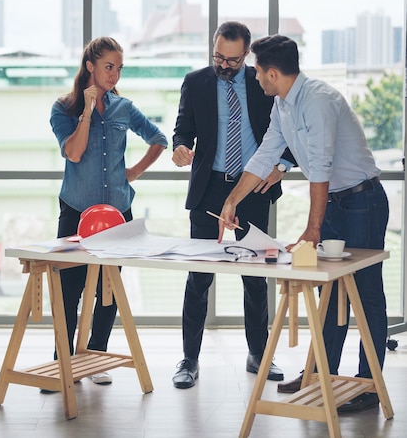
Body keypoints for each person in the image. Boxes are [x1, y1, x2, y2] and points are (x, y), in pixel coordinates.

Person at [219, 34, 389, 414]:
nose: (256, 78)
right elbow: (266, 155)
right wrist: (232, 200)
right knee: (327, 292)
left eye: (258, 71)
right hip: (334, 202)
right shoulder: (283, 105)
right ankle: (319, 374)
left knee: (365, 293)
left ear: (274, 72)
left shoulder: (317, 101)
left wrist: (313, 229)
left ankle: (369, 384)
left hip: (362, 201)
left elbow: (321, 168)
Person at [171, 21, 295, 389]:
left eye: (233, 60)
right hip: (209, 190)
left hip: (253, 190)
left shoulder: (264, 84)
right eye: (218, 58)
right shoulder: (195, 82)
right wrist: (179, 146)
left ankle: (258, 354)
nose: (224, 66)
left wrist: (283, 164)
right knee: (199, 277)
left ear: (247, 54)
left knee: (255, 278)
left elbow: (288, 131)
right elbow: (182, 129)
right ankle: (189, 359)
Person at [50, 36, 167, 386]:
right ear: (90, 66)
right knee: (68, 292)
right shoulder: (63, 108)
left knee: (107, 291)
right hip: (76, 211)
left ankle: (96, 356)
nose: (115, 74)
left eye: (119, 68)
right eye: (108, 67)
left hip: (117, 215)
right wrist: (86, 111)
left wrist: (132, 173)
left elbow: (158, 138)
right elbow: (74, 152)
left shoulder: (124, 108)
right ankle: (64, 362)